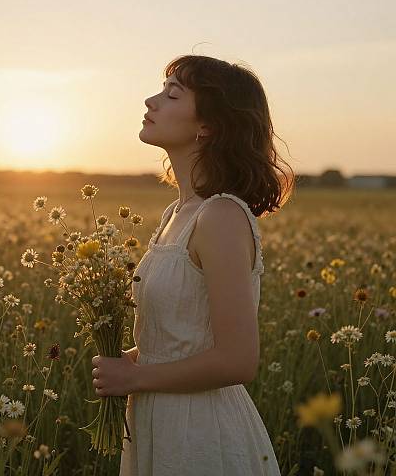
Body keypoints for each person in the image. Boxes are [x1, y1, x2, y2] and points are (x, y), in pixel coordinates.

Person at [91, 54, 295, 475]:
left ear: (208, 125)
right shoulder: (176, 214)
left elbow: (238, 360)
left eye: (171, 94)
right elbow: (185, 335)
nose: (151, 101)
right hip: (156, 419)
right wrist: (132, 357)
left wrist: (134, 379)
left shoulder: (219, 216)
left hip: (199, 433)